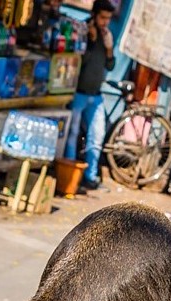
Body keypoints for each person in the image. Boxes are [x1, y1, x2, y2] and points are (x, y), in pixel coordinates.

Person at [63, 0, 114, 191]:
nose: (105, 22)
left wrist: (109, 49)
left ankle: (90, 177)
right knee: (72, 134)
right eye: (102, 18)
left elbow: (110, 66)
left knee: (97, 136)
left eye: (108, 19)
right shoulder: (83, 30)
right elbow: (78, 63)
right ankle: (68, 175)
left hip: (97, 94)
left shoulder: (107, 35)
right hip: (80, 93)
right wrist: (91, 43)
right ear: (94, 15)